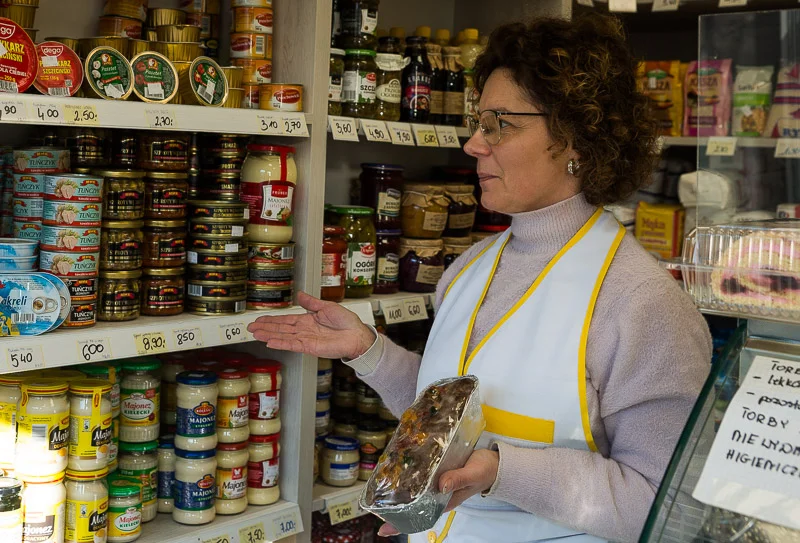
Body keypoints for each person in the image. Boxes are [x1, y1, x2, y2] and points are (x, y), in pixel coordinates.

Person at [248, 14, 712, 543]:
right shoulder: (470, 268)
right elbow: (450, 422)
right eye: (478, 121)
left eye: (499, 124)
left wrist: (502, 471)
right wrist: (369, 350)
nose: (472, 143)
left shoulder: (642, 303)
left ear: (577, 138)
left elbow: (667, 506)